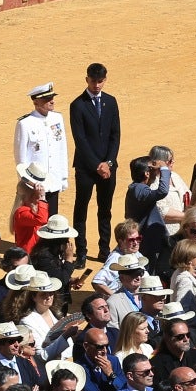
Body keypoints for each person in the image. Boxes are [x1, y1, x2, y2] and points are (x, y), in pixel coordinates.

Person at [68, 62, 120, 260]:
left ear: (105, 80)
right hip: (86, 167)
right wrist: (97, 165)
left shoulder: (111, 101)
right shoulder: (77, 105)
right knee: (81, 209)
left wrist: (109, 162)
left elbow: (115, 135)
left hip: (108, 167)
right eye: (93, 81)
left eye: (100, 81)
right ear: (86, 79)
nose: (96, 85)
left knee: (104, 209)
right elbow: (79, 139)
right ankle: (81, 252)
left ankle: (104, 250)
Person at [14, 82, 68, 215]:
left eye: (52, 98)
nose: (52, 101)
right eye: (47, 99)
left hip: (53, 180)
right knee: (36, 221)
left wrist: (63, 178)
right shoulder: (25, 124)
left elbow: (62, 149)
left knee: (52, 221)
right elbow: (20, 159)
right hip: (35, 186)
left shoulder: (57, 118)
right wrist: (27, 185)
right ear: (36, 102)